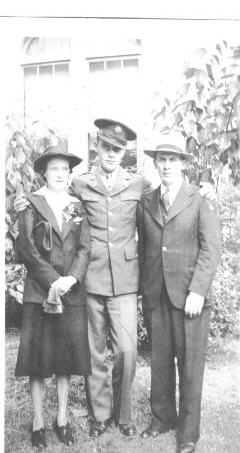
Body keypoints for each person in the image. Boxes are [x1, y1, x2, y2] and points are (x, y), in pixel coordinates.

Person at [14, 120, 216, 439]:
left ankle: (123, 415)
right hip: (90, 279)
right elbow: (51, 197)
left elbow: (171, 196)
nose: (111, 154)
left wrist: (203, 189)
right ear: (97, 147)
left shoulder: (140, 185)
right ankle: (100, 415)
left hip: (125, 279)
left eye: (117, 149)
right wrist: (27, 200)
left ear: (124, 152)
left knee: (127, 350)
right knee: (95, 352)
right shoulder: (79, 184)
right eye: (106, 147)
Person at [138, 131, 221, 453]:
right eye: (162, 159)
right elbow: (146, 247)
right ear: (156, 164)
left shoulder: (201, 199)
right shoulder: (147, 201)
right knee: (159, 362)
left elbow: (211, 249)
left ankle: (187, 433)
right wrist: (145, 290)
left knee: (189, 366)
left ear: (183, 164)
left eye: (173, 159)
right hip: (157, 295)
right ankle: (162, 419)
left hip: (191, 299)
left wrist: (198, 291)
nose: (167, 165)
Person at [15, 145, 91, 449]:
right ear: (44, 172)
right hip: (39, 292)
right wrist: (53, 280)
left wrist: (71, 278)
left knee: (65, 359)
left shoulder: (78, 205)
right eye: (55, 169)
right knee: (38, 361)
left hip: (71, 294)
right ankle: (38, 422)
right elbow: (26, 250)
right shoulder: (31, 204)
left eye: (65, 169)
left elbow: (85, 247)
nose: (61, 174)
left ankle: (61, 419)